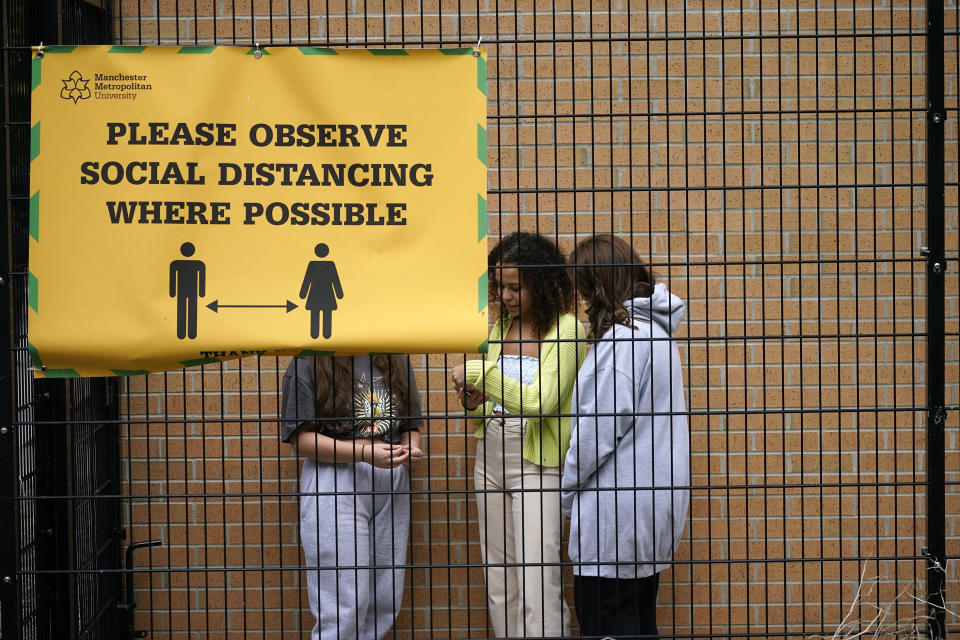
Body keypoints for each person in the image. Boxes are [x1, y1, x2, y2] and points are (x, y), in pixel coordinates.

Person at [452, 232, 587, 638]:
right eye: (500, 286)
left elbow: (544, 400)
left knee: (538, 581)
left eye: (515, 287)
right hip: (490, 455)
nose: (505, 296)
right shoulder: (500, 328)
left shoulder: (567, 331)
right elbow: (494, 394)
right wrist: (474, 398)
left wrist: (482, 375)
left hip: (536, 462)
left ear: (541, 284)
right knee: (500, 582)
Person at [561, 235, 690, 639]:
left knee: (607, 625)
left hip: (615, 521)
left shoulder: (623, 341)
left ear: (598, 285)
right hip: (648, 515)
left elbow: (596, 434)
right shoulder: (655, 334)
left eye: (583, 286)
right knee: (637, 621)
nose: (581, 299)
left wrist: (564, 494)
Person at [281, 354, 424, 640]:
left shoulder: (394, 357)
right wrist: (363, 453)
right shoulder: (309, 360)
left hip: (389, 476)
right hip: (335, 477)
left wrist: (410, 448)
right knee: (342, 604)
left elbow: (410, 425)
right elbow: (302, 439)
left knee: (384, 599)